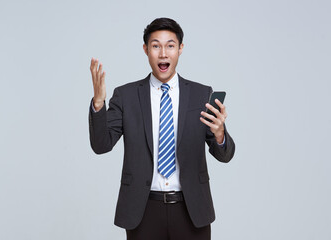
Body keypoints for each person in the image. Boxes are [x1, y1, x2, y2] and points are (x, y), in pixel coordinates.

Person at [88, 17, 235, 240]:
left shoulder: (201, 94)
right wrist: (99, 104)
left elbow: (225, 156)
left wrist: (220, 134)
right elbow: (101, 145)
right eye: (156, 46)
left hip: (191, 209)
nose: (163, 53)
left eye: (170, 45)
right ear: (146, 50)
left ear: (180, 49)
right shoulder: (126, 96)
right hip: (143, 210)